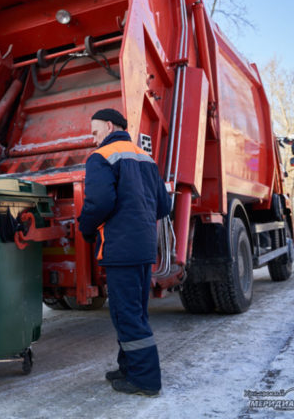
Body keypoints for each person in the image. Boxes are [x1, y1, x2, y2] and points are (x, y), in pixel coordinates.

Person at [78, 108, 170, 397]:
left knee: (126, 314)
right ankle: (129, 367)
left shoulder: (100, 158)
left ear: (108, 126)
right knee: (134, 311)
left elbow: (100, 202)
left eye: (94, 132)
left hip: (120, 247)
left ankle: (145, 380)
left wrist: (86, 228)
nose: (93, 140)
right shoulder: (145, 158)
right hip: (143, 246)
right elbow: (163, 206)